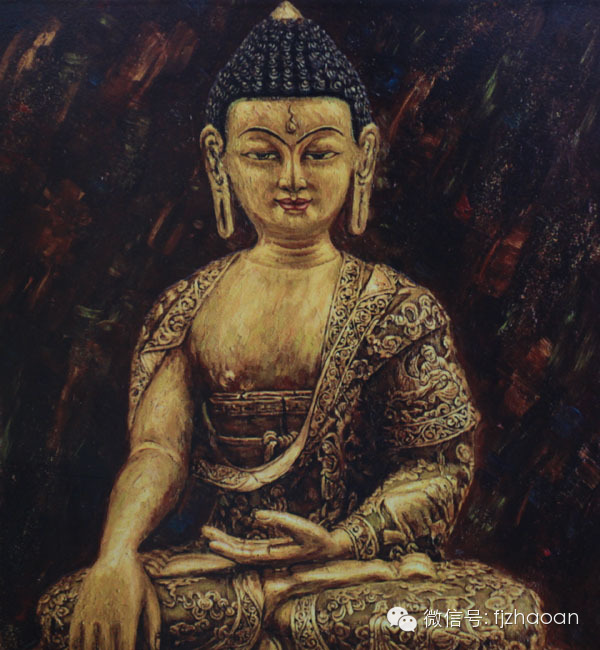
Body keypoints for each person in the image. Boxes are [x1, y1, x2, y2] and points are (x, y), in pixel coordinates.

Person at [37, 3, 547, 649]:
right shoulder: (188, 307)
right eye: (262, 154)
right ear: (218, 158)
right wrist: (116, 554)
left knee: (506, 613)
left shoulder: (397, 308)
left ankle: (287, 607)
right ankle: (271, 607)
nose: (292, 179)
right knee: (70, 608)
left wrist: (344, 540)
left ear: (362, 154)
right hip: (225, 572)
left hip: (353, 574)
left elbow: (437, 469)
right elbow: (158, 452)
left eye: (319, 153)